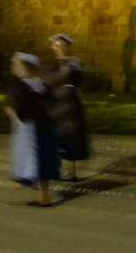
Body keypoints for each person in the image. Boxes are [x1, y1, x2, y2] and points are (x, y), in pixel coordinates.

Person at [5, 51, 60, 207]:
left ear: (26, 67)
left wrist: (14, 113)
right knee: (38, 161)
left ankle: (44, 197)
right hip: (39, 127)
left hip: (36, 128)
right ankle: (42, 196)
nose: (14, 68)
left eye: (16, 65)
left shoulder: (29, 86)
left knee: (38, 160)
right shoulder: (38, 85)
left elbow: (28, 106)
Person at [42, 34, 90, 182]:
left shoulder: (73, 64)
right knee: (58, 139)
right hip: (57, 105)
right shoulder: (55, 64)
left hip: (69, 106)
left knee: (70, 139)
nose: (57, 49)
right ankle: (59, 170)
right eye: (55, 46)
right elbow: (49, 81)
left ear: (66, 47)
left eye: (60, 46)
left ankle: (71, 173)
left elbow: (76, 81)